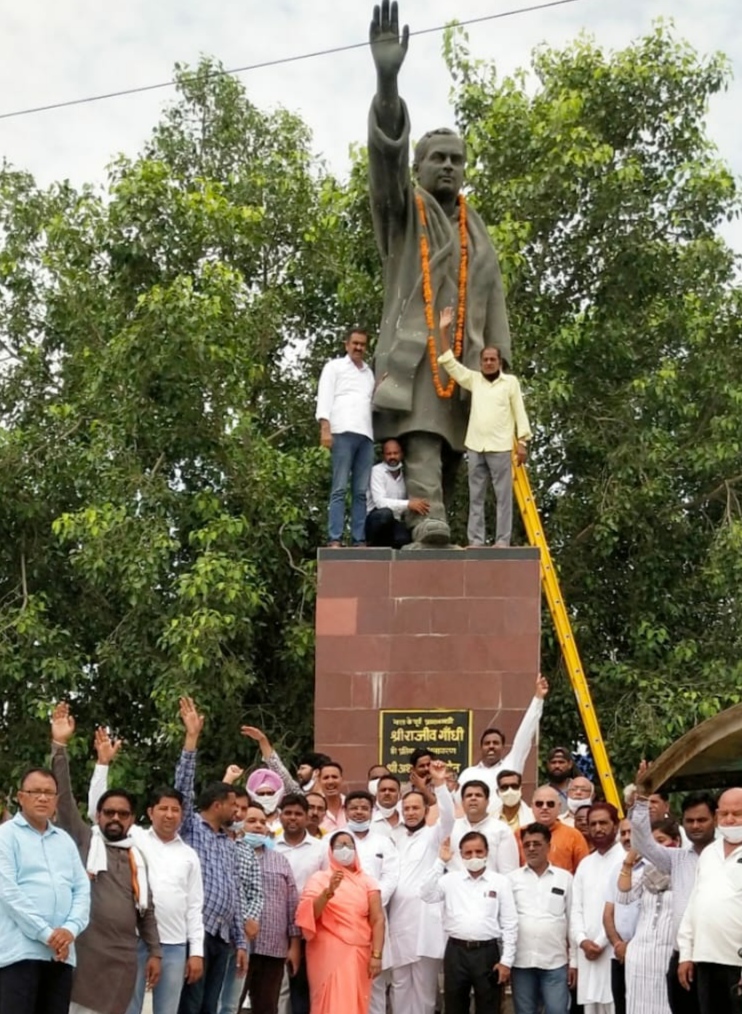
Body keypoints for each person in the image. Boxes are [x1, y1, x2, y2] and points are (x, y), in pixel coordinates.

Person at [367, 0, 512, 547]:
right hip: (417, 353)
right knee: (424, 432)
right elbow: (384, 167)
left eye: (456, 159)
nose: (448, 166)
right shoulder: (405, 215)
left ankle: (443, 523)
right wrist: (387, 84)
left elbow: (493, 303)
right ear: (420, 168)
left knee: (459, 446)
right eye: (438, 159)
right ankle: (429, 517)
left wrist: (503, 368)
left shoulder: (479, 233)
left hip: (469, 358)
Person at [49, 703, 162, 1014]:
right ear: (97, 815)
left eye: (122, 814)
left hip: (124, 959)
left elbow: (146, 911)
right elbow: (64, 800)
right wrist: (59, 746)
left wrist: (155, 953)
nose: (115, 818)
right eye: (108, 812)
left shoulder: (137, 857)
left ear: (132, 818)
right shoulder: (86, 841)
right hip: (85, 957)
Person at [87, 729, 205, 1014]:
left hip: (175, 945)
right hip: (135, 942)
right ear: (150, 813)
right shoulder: (134, 839)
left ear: (182, 814)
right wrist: (102, 764)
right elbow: (97, 811)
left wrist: (197, 952)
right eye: (162, 808)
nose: (169, 814)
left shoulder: (189, 855)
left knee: (167, 1010)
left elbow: (194, 906)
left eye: (175, 809)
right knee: (129, 1008)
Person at [174, 698, 260, 1014]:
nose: (236, 812)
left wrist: (239, 942)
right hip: (196, 933)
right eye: (232, 806)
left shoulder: (228, 841)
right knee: (191, 1006)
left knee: (210, 1008)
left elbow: (235, 895)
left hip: (222, 937)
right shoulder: (192, 828)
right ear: (216, 805)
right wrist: (191, 739)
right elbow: (183, 789)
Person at [437, 305, 531, 547]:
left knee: (502, 497)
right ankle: (476, 541)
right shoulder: (475, 380)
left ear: (499, 362)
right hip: (476, 446)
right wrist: (443, 331)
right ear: (480, 363)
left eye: (492, 360)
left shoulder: (510, 383)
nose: (489, 363)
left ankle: (502, 541)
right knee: (476, 497)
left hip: (500, 447)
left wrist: (522, 442)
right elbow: (450, 364)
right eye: (485, 360)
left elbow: (519, 412)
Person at [0, 766, 90, 1014]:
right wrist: (48, 934)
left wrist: (70, 929)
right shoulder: (6, 836)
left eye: (49, 793)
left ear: (56, 800)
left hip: (60, 956)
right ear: (21, 797)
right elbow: (9, 893)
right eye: (35, 791)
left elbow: (82, 889)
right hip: (19, 954)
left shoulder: (64, 841)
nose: (42, 798)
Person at [630, 761, 717, 1014]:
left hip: (719, 958)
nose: (696, 826)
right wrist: (643, 796)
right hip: (681, 957)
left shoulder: (732, 858)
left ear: (716, 819)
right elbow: (642, 842)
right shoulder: (677, 858)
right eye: (690, 821)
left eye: (702, 819)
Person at [421, 831, 517, 1014]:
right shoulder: (449, 881)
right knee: (454, 1007)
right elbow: (425, 894)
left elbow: (510, 923)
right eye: (468, 853)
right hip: (456, 952)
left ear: (487, 852)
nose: (474, 857)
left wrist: (506, 961)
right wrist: (440, 862)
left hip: (487, 953)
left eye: (479, 852)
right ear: (461, 854)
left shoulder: (500, 882)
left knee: (489, 1007)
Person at [387, 759, 454, 1014]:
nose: (411, 812)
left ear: (426, 810)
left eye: (416, 808)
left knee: (425, 992)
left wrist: (439, 783)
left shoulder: (433, 835)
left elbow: (448, 817)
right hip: (398, 922)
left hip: (426, 923)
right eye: (407, 808)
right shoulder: (393, 837)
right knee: (400, 986)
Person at [296, 831, 384, 1013]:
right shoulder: (319, 879)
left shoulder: (368, 881)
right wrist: (328, 892)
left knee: (352, 1002)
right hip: (326, 952)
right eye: (339, 846)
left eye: (349, 846)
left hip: (358, 951)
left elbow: (377, 919)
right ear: (330, 851)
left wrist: (376, 955)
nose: (345, 850)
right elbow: (309, 914)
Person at [677, 787, 742, 1014]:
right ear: (716, 817)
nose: (730, 819)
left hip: (738, 964)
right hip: (705, 961)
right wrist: (686, 955)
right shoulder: (708, 853)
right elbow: (694, 906)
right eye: (724, 814)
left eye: (738, 813)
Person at [316, 327, 375, 547]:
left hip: (366, 436)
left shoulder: (368, 373)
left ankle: (359, 539)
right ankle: (335, 538)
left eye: (362, 344)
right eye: (355, 343)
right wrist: (325, 428)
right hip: (341, 432)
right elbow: (324, 397)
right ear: (346, 344)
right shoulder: (335, 367)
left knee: (361, 491)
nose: (358, 347)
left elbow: (369, 399)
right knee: (339, 488)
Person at [240, 802, 301, 1014]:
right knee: (231, 1005)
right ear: (239, 824)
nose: (258, 826)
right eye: (251, 821)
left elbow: (292, 903)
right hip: (239, 947)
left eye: (262, 822)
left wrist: (294, 945)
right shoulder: (231, 854)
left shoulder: (280, 861)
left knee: (267, 1007)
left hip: (274, 948)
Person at [509, 823, 575, 1014]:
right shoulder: (511, 880)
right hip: (521, 962)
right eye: (527, 844)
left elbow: (573, 920)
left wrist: (574, 962)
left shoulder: (565, 879)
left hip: (555, 961)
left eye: (536, 843)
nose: (531, 848)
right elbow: (506, 922)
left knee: (557, 1010)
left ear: (549, 845)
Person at [343, 792, 399, 1014]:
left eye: (364, 808)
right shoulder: (335, 839)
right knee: (346, 981)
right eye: (354, 807)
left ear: (372, 811)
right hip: (343, 919)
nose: (358, 812)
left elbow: (391, 877)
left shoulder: (383, 842)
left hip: (374, 919)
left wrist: (372, 904)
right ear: (346, 811)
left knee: (374, 982)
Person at [616, 819, 680, 1014]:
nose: (656, 849)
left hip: (668, 953)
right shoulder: (645, 871)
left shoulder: (686, 870)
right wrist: (629, 862)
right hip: (640, 955)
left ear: (675, 841)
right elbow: (624, 896)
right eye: (651, 844)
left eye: (661, 841)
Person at [275, 795, 328, 1014]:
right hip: (276, 924)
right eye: (288, 813)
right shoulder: (271, 846)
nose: (293, 818)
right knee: (278, 986)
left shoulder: (321, 848)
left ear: (307, 817)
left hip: (310, 926)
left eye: (298, 814)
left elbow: (328, 886)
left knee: (303, 986)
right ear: (280, 816)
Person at [572, 803, 624, 1014]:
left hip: (611, 949)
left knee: (614, 1004)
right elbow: (575, 907)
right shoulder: (585, 863)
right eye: (593, 824)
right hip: (587, 953)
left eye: (603, 822)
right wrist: (582, 940)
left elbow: (621, 907)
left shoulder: (625, 860)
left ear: (616, 825)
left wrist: (600, 942)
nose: (597, 828)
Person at [458, 675, 549, 796]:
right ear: (481, 747)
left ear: (503, 747)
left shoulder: (511, 765)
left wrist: (538, 698)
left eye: (496, 743)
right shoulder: (468, 774)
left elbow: (525, 733)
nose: (491, 746)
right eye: (487, 743)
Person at [604, 818, 646, 1014]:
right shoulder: (617, 869)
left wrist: (633, 946)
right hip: (619, 955)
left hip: (646, 955)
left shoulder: (656, 867)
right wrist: (618, 944)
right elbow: (608, 912)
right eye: (623, 833)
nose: (627, 838)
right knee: (621, 1008)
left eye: (632, 832)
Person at [365, 439, 430, 547]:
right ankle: (371, 545)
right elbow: (380, 503)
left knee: (404, 540)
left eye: (395, 453)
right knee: (385, 514)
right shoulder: (377, 471)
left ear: (402, 454)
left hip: (395, 521)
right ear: (383, 456)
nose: (392, 457)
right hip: (375, 519)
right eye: (388, 454)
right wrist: (408, 504)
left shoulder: (406, 474)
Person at [449, 780, 519, 874]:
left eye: (478, 795)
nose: (473, 798)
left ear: (487, 802)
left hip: (490, 887)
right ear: (462, 802)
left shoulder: (501, 830)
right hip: (456, 886)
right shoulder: (451, 828)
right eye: (469, 795)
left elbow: (509, 872)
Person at [522, 786, 590, 874]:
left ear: (559, 807)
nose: (545, 807)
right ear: (532, 806)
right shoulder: (520, 833)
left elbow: (584, 872)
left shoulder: (574, 836)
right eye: (539, 804)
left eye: (550, 804)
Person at [371, 774, 405, 842]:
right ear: (377, 794)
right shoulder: (369, 821)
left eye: (392, 790)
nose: (387, 793)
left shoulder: (408, 820)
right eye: (383, 790)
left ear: (400, 795)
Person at [317, 762, 347, 832]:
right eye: (326, 778)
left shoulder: (351, 806)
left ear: (342, 779)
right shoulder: (314, 810)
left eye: (334, 777)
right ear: (319, 781)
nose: (330, 782)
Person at [545, 748, 575, 814]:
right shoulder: (542, 792)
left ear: (570, 764)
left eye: (561, 762)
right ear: (548, 765)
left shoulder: (579, 789)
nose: (557, 766)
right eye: (553, 762)